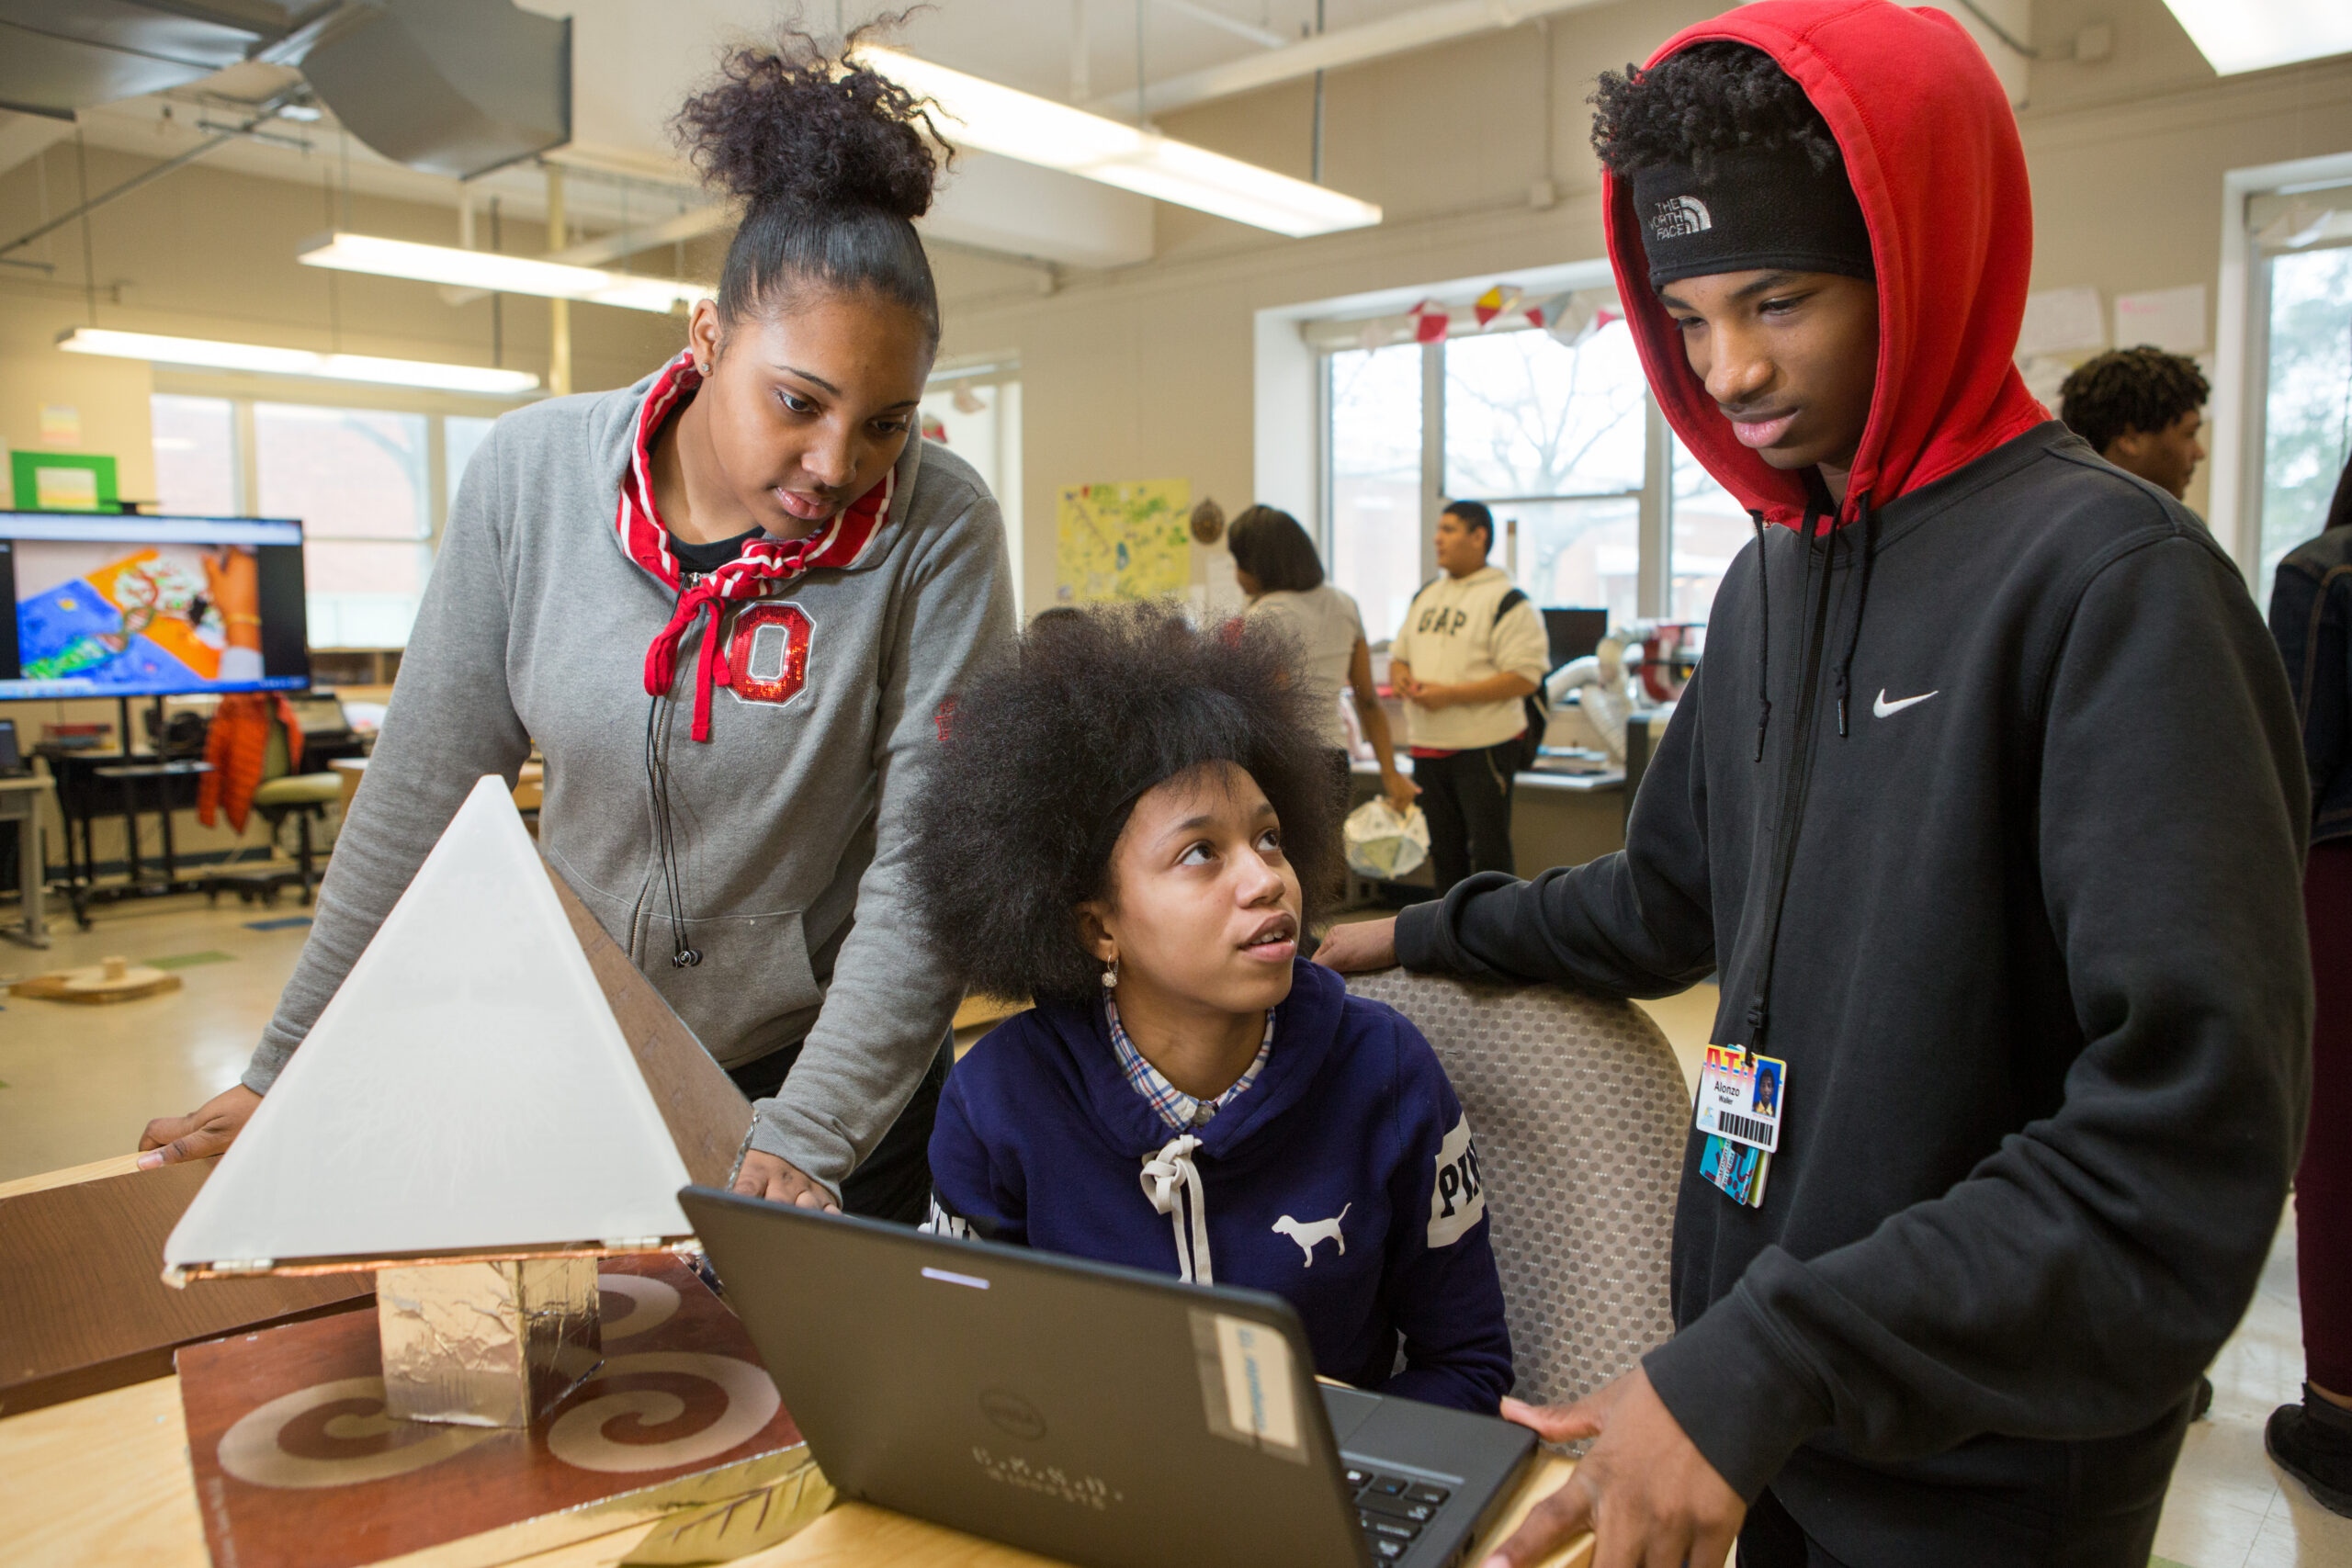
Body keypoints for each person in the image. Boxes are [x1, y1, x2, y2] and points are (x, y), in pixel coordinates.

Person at [1317, 9, 2310, 1566]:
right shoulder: (1772, 580)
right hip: (1773, 1412)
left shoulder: (2119, 584)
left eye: (1780, 299)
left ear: (1920, 262)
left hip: (1982, 1463)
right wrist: (1413, 934)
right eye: (1690, 315)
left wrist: (1769, 1358)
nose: (1733, 370)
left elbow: (2181, 1145)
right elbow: (1667, 901)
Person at [136, 29, 1016, 1223]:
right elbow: (422, 800)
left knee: (810, 1405)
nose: (835, 464)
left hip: (826, 1085)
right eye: (799, 404)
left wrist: (810, 1135)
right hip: (581, 1063)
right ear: (706, 336)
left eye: (886, 423)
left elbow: (924, 869)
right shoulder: (532, 478)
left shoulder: (937, 525)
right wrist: (285, 1070)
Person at [908, 604, 1512, 1414]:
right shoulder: (999, 1100)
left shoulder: (1387, 1070)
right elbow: (962, 1373)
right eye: (1200, 853)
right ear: (1099, 926)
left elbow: (1468, 1364)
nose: (1267, 879)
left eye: (1269, 838)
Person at [2267, 451, 2352, 1515]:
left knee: (2332, 1149)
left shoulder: (2325, 575)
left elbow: (2288, 768)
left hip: (2336, 872)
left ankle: (2336, 1412)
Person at [1385, 501, 1550, 894]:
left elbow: (1525, 677)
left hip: (1484, 745)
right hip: (1428, 745)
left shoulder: (1508, 600)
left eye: (1449, 529)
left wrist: (1451, 696)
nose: (1437, 538)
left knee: (1489, 854)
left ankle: (1498, 943)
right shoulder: (1425, 595)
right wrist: (1403, 678)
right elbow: (1398, 658)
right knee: (1444, 853)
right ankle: (1448, 945)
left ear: (1480, 537)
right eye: (1438, 529)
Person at [1226, 502, 1416, 817]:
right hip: (1334, 760)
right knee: (1329, 861)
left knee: (1285, 862)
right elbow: (1368, 700)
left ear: (1258, 564)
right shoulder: (1344, 604)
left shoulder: (1266, 615)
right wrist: (1390, 773)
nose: (1236, 575)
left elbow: (1276, 707)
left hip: (1288, 761)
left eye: (1238, 563)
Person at [2058, 345, 2211, 502]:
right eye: (2189, 434)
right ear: (2130, 439)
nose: (2200, 453)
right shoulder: (2169, 524)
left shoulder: (2060, 512)